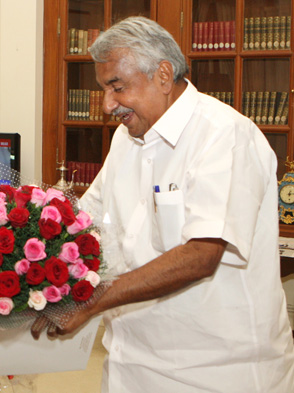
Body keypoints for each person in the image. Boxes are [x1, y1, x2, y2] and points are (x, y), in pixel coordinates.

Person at [32, 17, 294, 392]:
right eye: (103, 89)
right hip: (129, 365)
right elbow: (81, 224)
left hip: (215, 374)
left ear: (163, 74)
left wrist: (91, 303)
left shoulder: (224, 135)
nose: (107, 105)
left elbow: (202, 254)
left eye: (117, 87)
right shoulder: (126, 140)